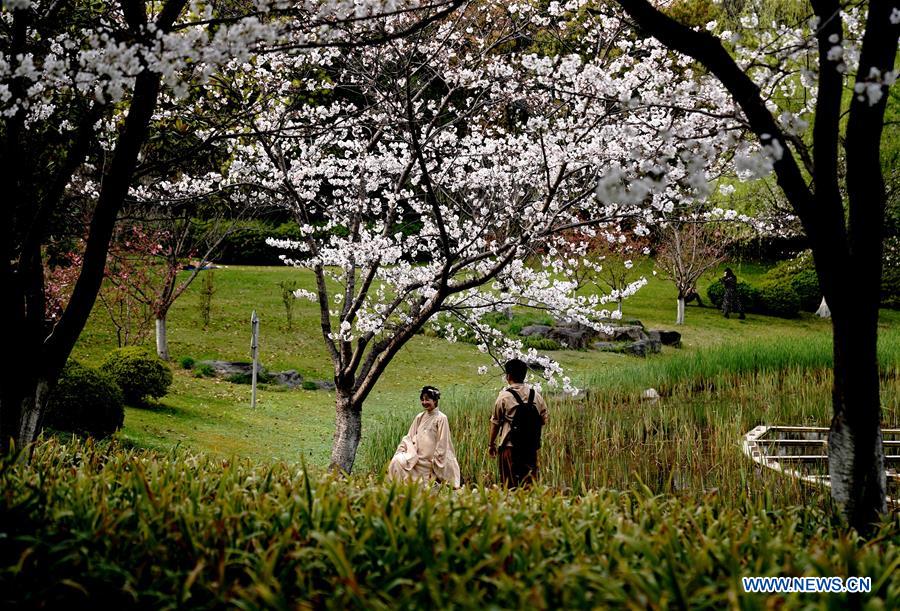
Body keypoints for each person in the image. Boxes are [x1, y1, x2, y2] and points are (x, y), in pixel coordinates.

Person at [488, 359, 549, 488]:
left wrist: (491, 444)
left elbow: (495, 423)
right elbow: (543, 420)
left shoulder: (504, 396)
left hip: (510, 447)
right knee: (530, 485)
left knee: (509, 485)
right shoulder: (536, 395)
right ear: (524, 376)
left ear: (508, 376)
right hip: (530, 448)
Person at [387, 386, 461, 488]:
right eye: (422, 399)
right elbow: (409, 436)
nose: (424, 402)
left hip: (429, 460)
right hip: (415, 456)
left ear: (435, 401)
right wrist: (404, 449)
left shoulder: (441, 418)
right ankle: (399, 489)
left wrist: (436, 459)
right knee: (397, 461)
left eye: (427, 399)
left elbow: (443, 441)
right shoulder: (419, 417)